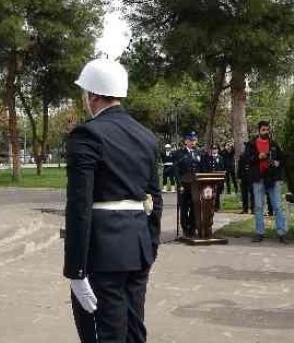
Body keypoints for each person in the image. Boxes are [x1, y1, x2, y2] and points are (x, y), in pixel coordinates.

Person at [63, 58, 163, 343]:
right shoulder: (146, 136)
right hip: (138, 248)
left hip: (102, 252)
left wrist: (76, 270)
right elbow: (155, 198)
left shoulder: (87, 134)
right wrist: (150, 246)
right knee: (133, 331)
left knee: (104, 335)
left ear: (93, 95)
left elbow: (80, 206)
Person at [244, 120, 287, 243]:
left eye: (268, 130)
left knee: (277, 206)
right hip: (258, 179)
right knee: (258, 207)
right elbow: (246, 160)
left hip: (273, 179)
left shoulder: (273, 144)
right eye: (263, 130)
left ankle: (281, 233)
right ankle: (260, 233)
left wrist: (277, 163)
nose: (266, 132)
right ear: (258, 130)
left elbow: (282, 159)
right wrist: (258, 157)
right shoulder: (251, 144)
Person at [174, 131, 202, 238]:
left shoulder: (199, 153)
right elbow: (176, 170)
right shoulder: (179, 154)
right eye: (190, 140)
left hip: (195, 184)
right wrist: (179, 183)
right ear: (186, 141)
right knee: (184, 207)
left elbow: (201, 168)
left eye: (194, 140)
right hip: (184, 185)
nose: (192, 142)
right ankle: (185, 228)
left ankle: (193, 228)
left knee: (195, 206)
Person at [201, 144, 225, 210]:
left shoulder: (220, 158)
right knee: (209, 192)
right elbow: (205, 168)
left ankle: (217, 206)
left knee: (217, 193)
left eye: (215, 149)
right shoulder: (207, 158)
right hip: (209, 178)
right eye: (213, 149)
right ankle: (209, 206)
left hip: (218, 178)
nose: (214, 150)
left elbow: (222, 168)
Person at [237, 144, 254, 214]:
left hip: (251, 177)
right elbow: (239, 167)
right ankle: (245, 208)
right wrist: (239, 176)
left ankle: (253, 208)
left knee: (252, 194)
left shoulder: (253, 156)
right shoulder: (242, 156)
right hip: (244, 177)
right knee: (244, 194)